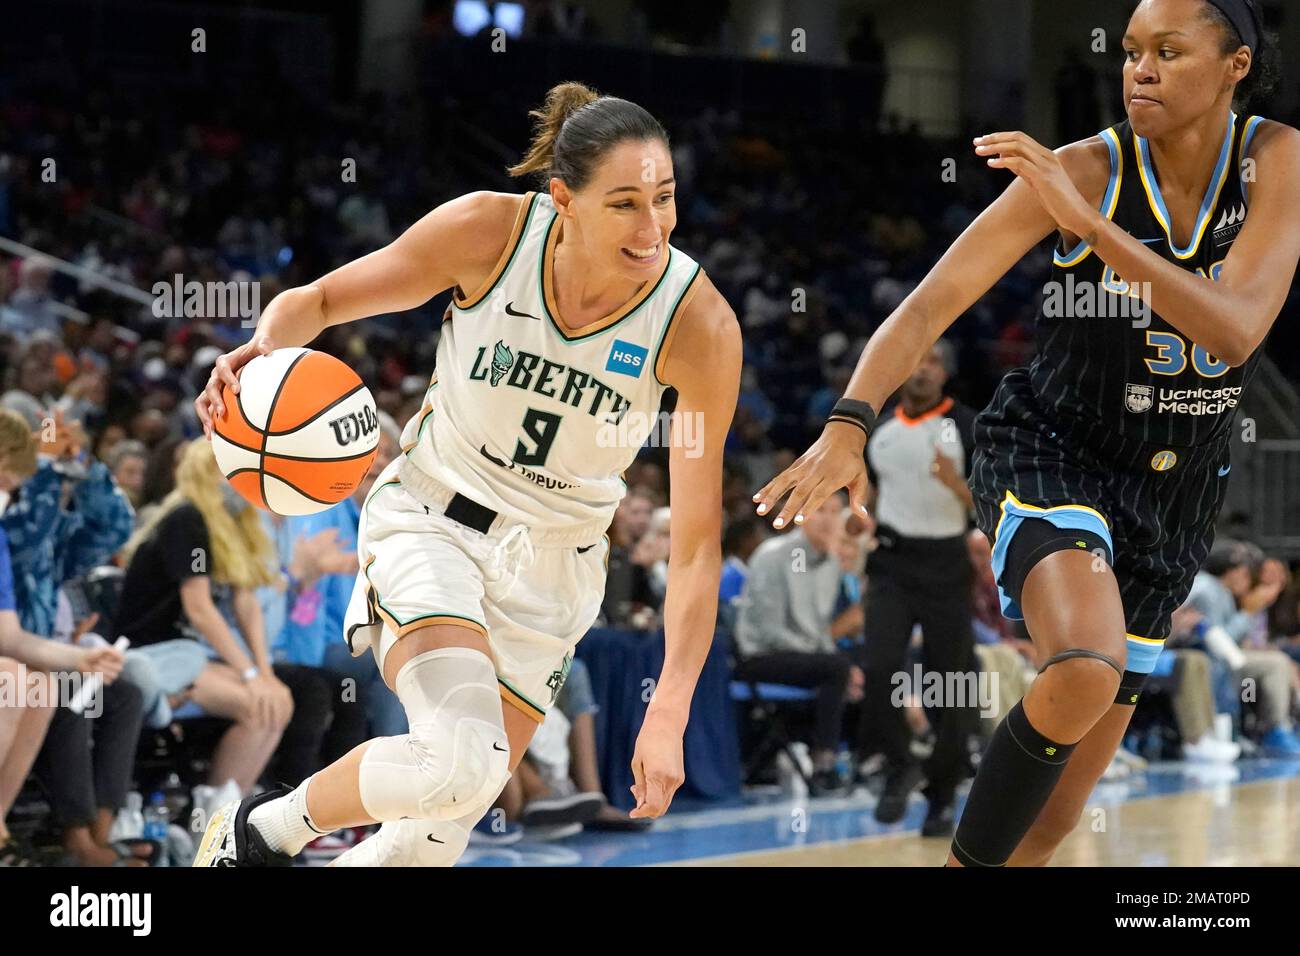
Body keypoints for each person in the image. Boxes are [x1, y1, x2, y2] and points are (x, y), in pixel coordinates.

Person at [755, 0, 1296, 866]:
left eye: (1167, 51)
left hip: (1178, 491)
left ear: (1235, 65)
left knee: (1052, 818)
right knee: (1085, 660)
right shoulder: (1086, 169)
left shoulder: (1276, 158)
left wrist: (1091, 232)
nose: (1139, 71)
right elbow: (930, 302)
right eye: (1128, 52)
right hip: (1055, 451)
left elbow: (1233, 332)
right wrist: (849, 421)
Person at [192, 81, 742, 867]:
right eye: (624, 203)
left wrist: (671, 710)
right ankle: (259, 833)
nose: (652, 225)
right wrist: (264, 352)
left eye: (665, 197)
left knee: (430, 840)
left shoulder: (699, 324)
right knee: (457, 761)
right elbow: (313, 301)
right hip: (433, 521)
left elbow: (693, 547)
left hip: (558, 571)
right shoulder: (488, 234)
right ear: (563, 200)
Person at [115, 439, 294, 792]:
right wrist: (249, 674)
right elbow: (199, 609)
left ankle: (233, 811)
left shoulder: (233, 523)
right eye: (228, 473)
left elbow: (246, 603)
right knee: (254, 705)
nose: (236, 483)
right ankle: (213, 820)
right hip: (150, 653)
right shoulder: (188, 518)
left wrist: (265, 672)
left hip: (187, 654)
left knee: (279, 699)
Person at [857, 340, 980, 836]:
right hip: (891, 561)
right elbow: (868, 492)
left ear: (945, 374)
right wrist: (856, 517)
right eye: (915, 360)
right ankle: (898, 763)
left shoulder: (968, 426)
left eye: (931, 362)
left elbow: (991, 505)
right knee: (880, 664)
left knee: (950, 684)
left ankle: (942, 795)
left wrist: (956, 483)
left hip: (948, 562)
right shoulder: (879, 428)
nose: (922, 370)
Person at [734, 495, 859, 794]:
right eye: (819, 511)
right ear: (801, 515)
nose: (828, 519)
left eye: (834, 511)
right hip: (759, 655)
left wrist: (835, 659)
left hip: (805, 656)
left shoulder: (831, 562)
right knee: (836, 669)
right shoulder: (772, 555)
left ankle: (867, 758)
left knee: (867, 663)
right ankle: (824, 763)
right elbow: (768, 631)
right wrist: (825, 656)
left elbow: (820, 631)